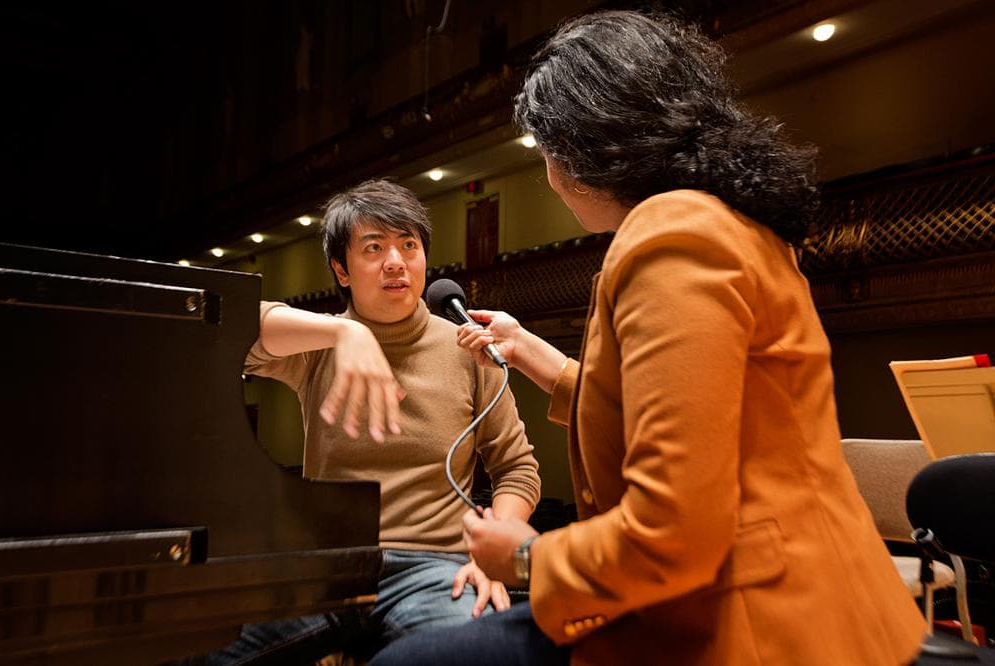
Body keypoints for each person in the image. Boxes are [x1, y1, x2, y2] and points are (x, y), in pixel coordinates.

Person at [371, 10, 926, 666]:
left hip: (754, 625)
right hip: (798, 597)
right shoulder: (725, 222)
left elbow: (676, 532)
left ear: (576, 154)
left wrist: (522, 555)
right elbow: (703, 414)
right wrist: (546, 364)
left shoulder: (672, 236)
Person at [197, 179, 541, 664]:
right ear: (341, 269)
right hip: (326, 566)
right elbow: (227, 328)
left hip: (435, 566)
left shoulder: (469, 349)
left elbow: (517, 469)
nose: (396, 261)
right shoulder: (317, 346)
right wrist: (342, 332)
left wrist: (497, 552)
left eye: (408, 245)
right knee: (201, 651)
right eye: (374, 248)